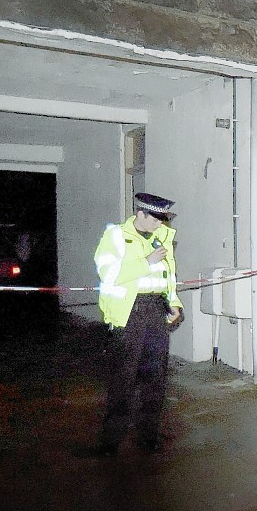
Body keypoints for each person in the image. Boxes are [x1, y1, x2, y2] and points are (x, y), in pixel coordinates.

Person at [77, 193, 183, 457]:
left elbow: (167, 278)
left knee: (155, 378)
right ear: (141, 214)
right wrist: (145, 263)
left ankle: (148, 438)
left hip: (157, 312)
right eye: (156, 219)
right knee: (123, 379)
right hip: (129, 315)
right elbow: (109, 275)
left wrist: (175, 303)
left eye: (164, 220)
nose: (161, 224)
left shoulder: (162, 239)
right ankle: (110, 443)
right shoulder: (115, 236)